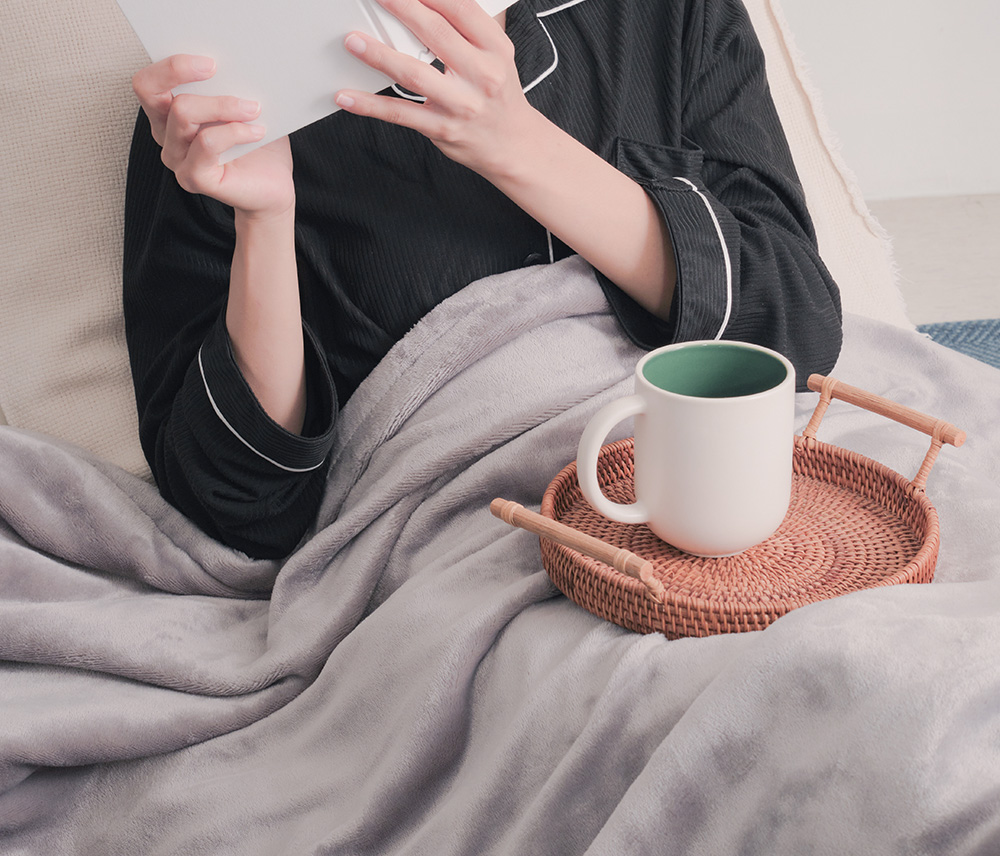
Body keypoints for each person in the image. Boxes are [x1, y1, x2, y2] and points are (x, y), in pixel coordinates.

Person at [124, 0, 842, 560]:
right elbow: (239, 504)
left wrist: (517, 145)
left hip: (744, 484)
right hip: (466, 547)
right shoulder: (221, 94)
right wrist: (265, 220)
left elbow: (797, 324)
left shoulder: (666, 14)